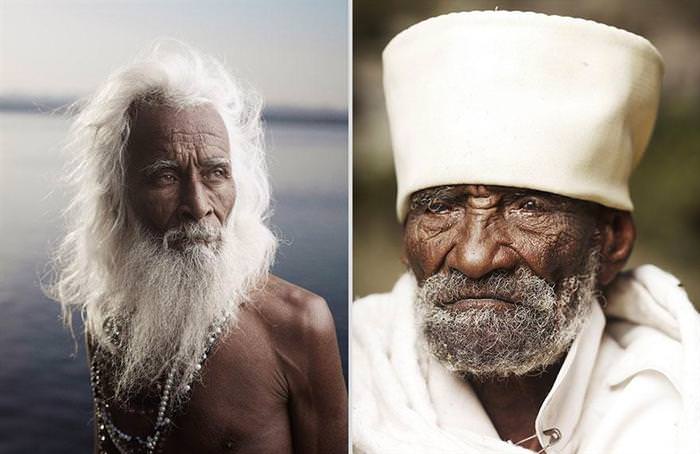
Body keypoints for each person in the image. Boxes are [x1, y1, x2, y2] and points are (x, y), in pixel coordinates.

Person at [352, 11, 700, 454]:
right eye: (440, 207)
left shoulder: (675, 410)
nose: (475, 258)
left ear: (612, 241)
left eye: (527, 208)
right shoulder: (355, 379)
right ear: (406, 240)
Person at [48, 42, 347, 453]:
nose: (199, 205)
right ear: (117, 194)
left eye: (216, 173)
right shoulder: (107, 318)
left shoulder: (298, 325)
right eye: (165, 177)